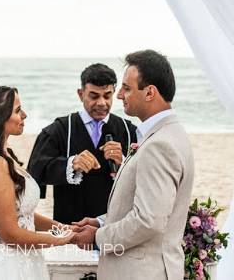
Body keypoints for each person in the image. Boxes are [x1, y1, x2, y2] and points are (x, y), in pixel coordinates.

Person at [72, 50, 195, 280]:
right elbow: (148, 207)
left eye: (127, 88)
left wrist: (97, 237)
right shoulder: (166, 134)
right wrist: (102, 221)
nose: (119, 95)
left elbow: (148, 221)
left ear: (149, 92)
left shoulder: (160, 144)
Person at [0, 83, 77, 280]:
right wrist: (60, 240)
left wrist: (61, 227)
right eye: (18, 110)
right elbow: (10, 234)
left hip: (20, 258)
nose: (25, 115)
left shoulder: (3, 155)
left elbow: (19, 211)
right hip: (4, 265)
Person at [28, 64, 138, 225]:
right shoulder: (60, 129)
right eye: (94, 96)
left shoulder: (129, 131)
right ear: (81, 94)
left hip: (114, 227)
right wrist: (70, 164)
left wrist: (124, 163)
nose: (102, 102)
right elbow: (36, 171)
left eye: (107, 96)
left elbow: (145, 178)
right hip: (69, 225)